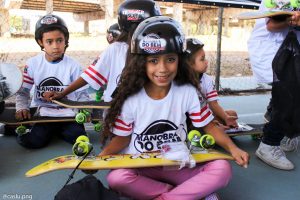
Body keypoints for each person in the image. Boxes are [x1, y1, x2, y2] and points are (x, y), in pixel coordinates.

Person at [99, 16, 249, 200]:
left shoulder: (187, 92)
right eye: (153, 61)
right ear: (141, 63)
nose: (162, 68)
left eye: (170, 59)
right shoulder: (131, 98)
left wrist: (234, 149)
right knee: (117, 178)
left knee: (222, 168)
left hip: (177, 163)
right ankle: (186, 194)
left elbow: (209, 126)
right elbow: (123, 139)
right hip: (142, 166)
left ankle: (167, 196)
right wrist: (100, 158)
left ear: (180, 60)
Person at [43, 0, 162, 103]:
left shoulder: (159, 50)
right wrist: (63, 93)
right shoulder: (116, 49)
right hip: (119, 113)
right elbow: (90, 75)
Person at [15, 14, 90, 148]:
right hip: (43, 114)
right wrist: (22, 108)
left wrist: (85, 110)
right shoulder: (33, 64)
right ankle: (46, 131)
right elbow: (23, 91)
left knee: (79, 138)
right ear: (40, 42)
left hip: (68, 115)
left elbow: (82, 94)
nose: (56, 46)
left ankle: (56, 131)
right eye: (49, 41)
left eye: (59, 40)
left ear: (65, 40)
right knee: (33, 142)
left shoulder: (73, 65)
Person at [247, 0, 300, 170]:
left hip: (289, 51)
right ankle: (269, 144)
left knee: (288, 94)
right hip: (273, 50)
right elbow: (272, 24)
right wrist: (293, 19)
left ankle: (275, 122)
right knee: (290, 96)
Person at [185, 38, 238, 130]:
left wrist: (226, 118)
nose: (206, 61)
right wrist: (212, 125)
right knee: (212, 127)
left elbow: (213, 104)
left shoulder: (207, 80)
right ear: (189, 64)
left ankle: (213, 130)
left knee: (231, 114)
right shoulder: (181, 82)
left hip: (204, 117)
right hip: (187, 121)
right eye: (202, 59)